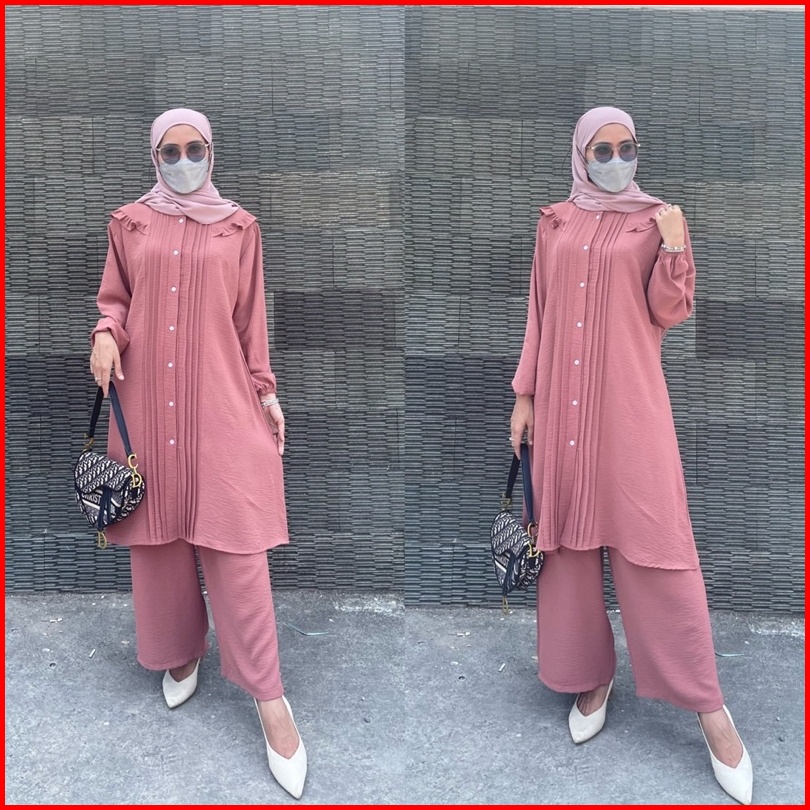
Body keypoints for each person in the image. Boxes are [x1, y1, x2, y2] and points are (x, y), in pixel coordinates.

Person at [509, 106, 753, 805]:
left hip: (629, 410)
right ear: (580, 154)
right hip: (560, 409)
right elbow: (539, 312)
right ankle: (592, 678)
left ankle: (710, 709)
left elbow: (668, 312)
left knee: (656, 543)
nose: (617, 160)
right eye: (603, 150)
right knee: (568, 545)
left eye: (628, 148)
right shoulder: (555, 222)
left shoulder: (655, 221)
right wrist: (524, 396)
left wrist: (675, 249)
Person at [89, 108, 307, 799]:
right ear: (154, 157)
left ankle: (269, 697)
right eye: (170, 151)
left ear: (212, 152)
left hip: (219, 402)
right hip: (147, 401)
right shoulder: (130, 223)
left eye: (195, 149)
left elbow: (249, 322)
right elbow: (117, 299)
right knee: (158, 538)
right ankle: (179, 650)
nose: (183, 161)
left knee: (236, 545)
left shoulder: (239, 228)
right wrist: (105, 331)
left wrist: (265, 392)